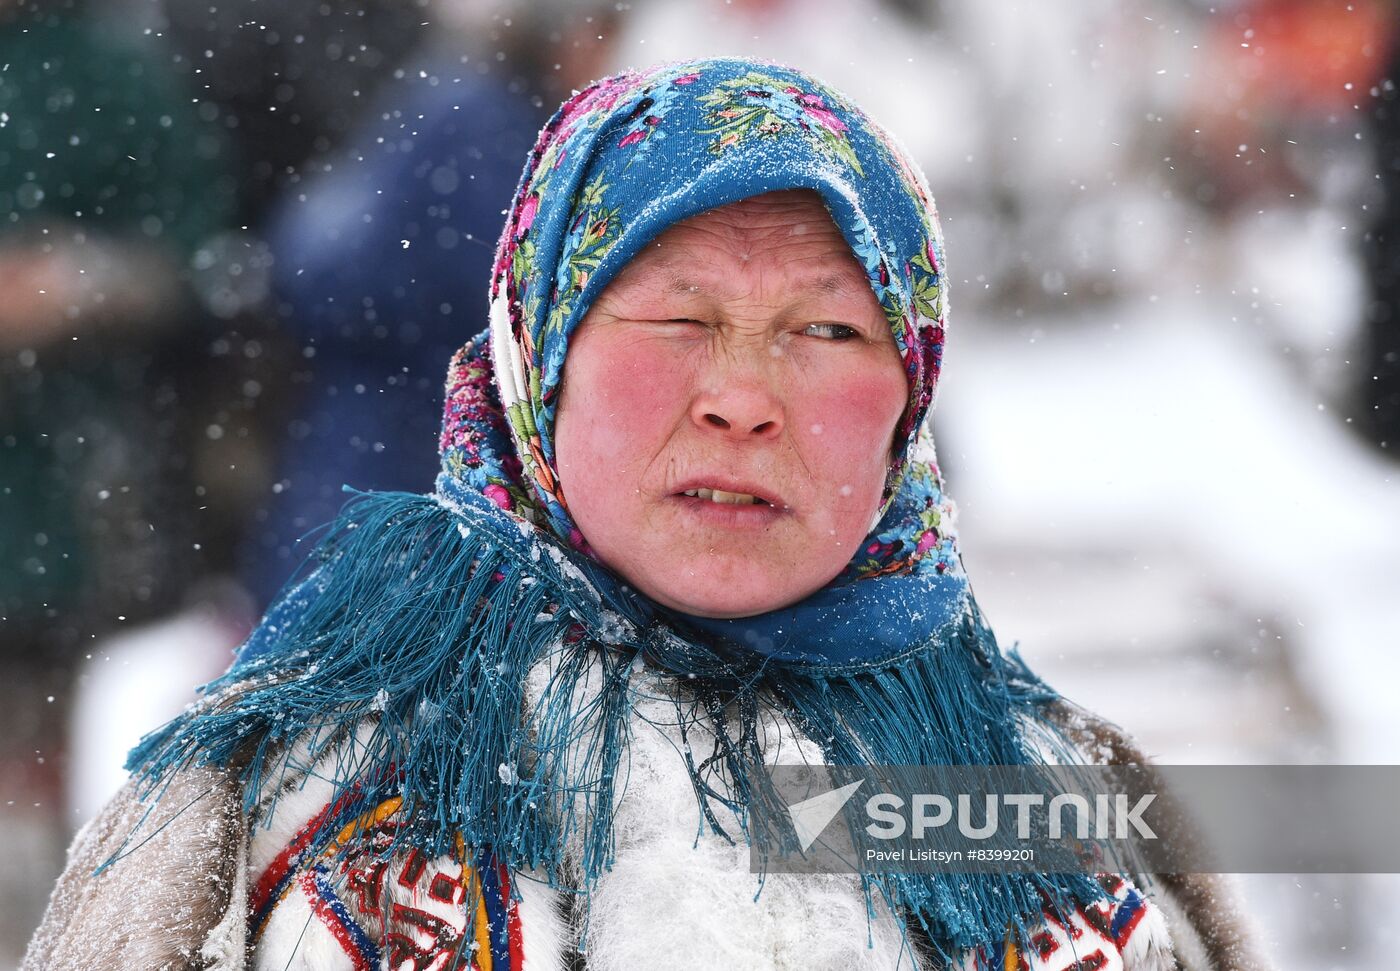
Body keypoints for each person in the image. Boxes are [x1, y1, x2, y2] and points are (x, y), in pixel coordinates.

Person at [23, 58, 1265, 970]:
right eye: (676, 317)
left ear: (911, 392)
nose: (740, 399)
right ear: (539, 355)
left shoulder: (1041, 812)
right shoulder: (286, 793)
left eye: (826, 329)